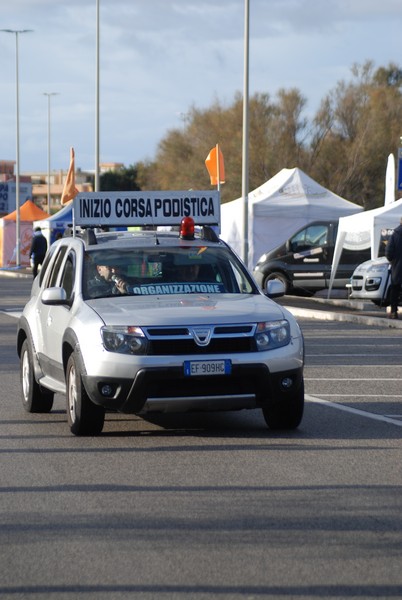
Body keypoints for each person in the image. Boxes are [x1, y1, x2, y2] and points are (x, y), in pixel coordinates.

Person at [385, 217, 402, 319]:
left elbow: (388, 252)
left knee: (395, 288)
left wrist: (393, 261)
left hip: (398, 265)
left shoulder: (395, 234)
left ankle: (394, 311)